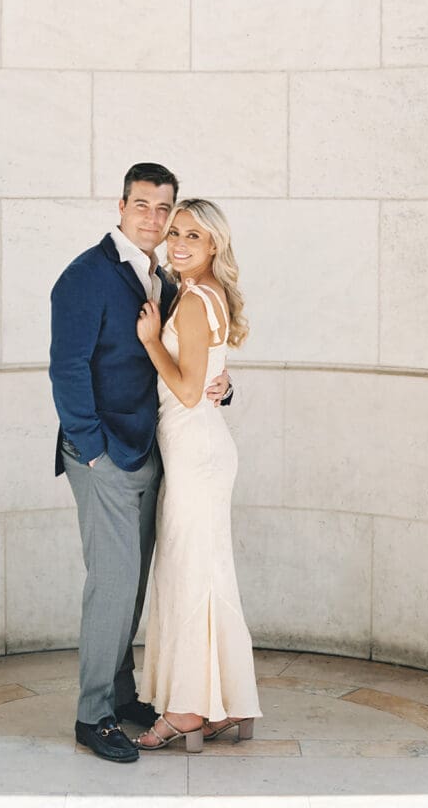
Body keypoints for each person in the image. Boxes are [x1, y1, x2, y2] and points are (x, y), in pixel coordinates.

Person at [49, 164, 231, 764]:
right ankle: (93, 714)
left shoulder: (166, 276)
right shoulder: (84, 276)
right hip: (103, 455)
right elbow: (67, 369)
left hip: (154, 449)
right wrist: (92, 450)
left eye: (164, 209)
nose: (154, 219)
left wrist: (222, 385)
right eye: (142, 206)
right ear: (121, 205)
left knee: (132, 583)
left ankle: (123, 693)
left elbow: (188, 357)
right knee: (113, 581)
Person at [134, 198, 262, 753]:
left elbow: (188, 391)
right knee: (204, 573)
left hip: (195, 450)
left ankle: (187, 710)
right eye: (176, 233)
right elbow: (207, 375)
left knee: (188, 573)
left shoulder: (191, 301)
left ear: (215, 245)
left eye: (194, 236)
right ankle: (228, 704)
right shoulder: (204, 292)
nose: (180, 244)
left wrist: (149, 341)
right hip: (200, 448)